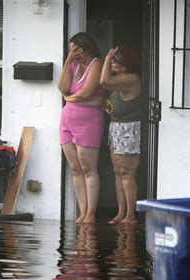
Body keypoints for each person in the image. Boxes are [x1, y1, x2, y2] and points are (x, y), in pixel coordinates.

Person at [58, 32, 106, 223]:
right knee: (75, 169)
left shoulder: (97, 64)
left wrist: (69, 98)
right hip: (67, 121)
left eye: (74, 49)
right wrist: (67, 62)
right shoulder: (73, 64)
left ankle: (91, 214)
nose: (72, 52)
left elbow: (86, 93)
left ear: (83, 48)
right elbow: (62, 87)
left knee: (88, 168)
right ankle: (82, 212)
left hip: (88, 123)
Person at [100, 46, 143, 225]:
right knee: (117, 172)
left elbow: (103, 82)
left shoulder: (131, 79)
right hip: (116, 129)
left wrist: (106, 57)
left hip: (129, 129)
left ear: (125, 65)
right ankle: (121, 212)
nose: (111, 62)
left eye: (115, 60)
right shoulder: (119, 80)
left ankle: (130, 215)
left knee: (127, 173)